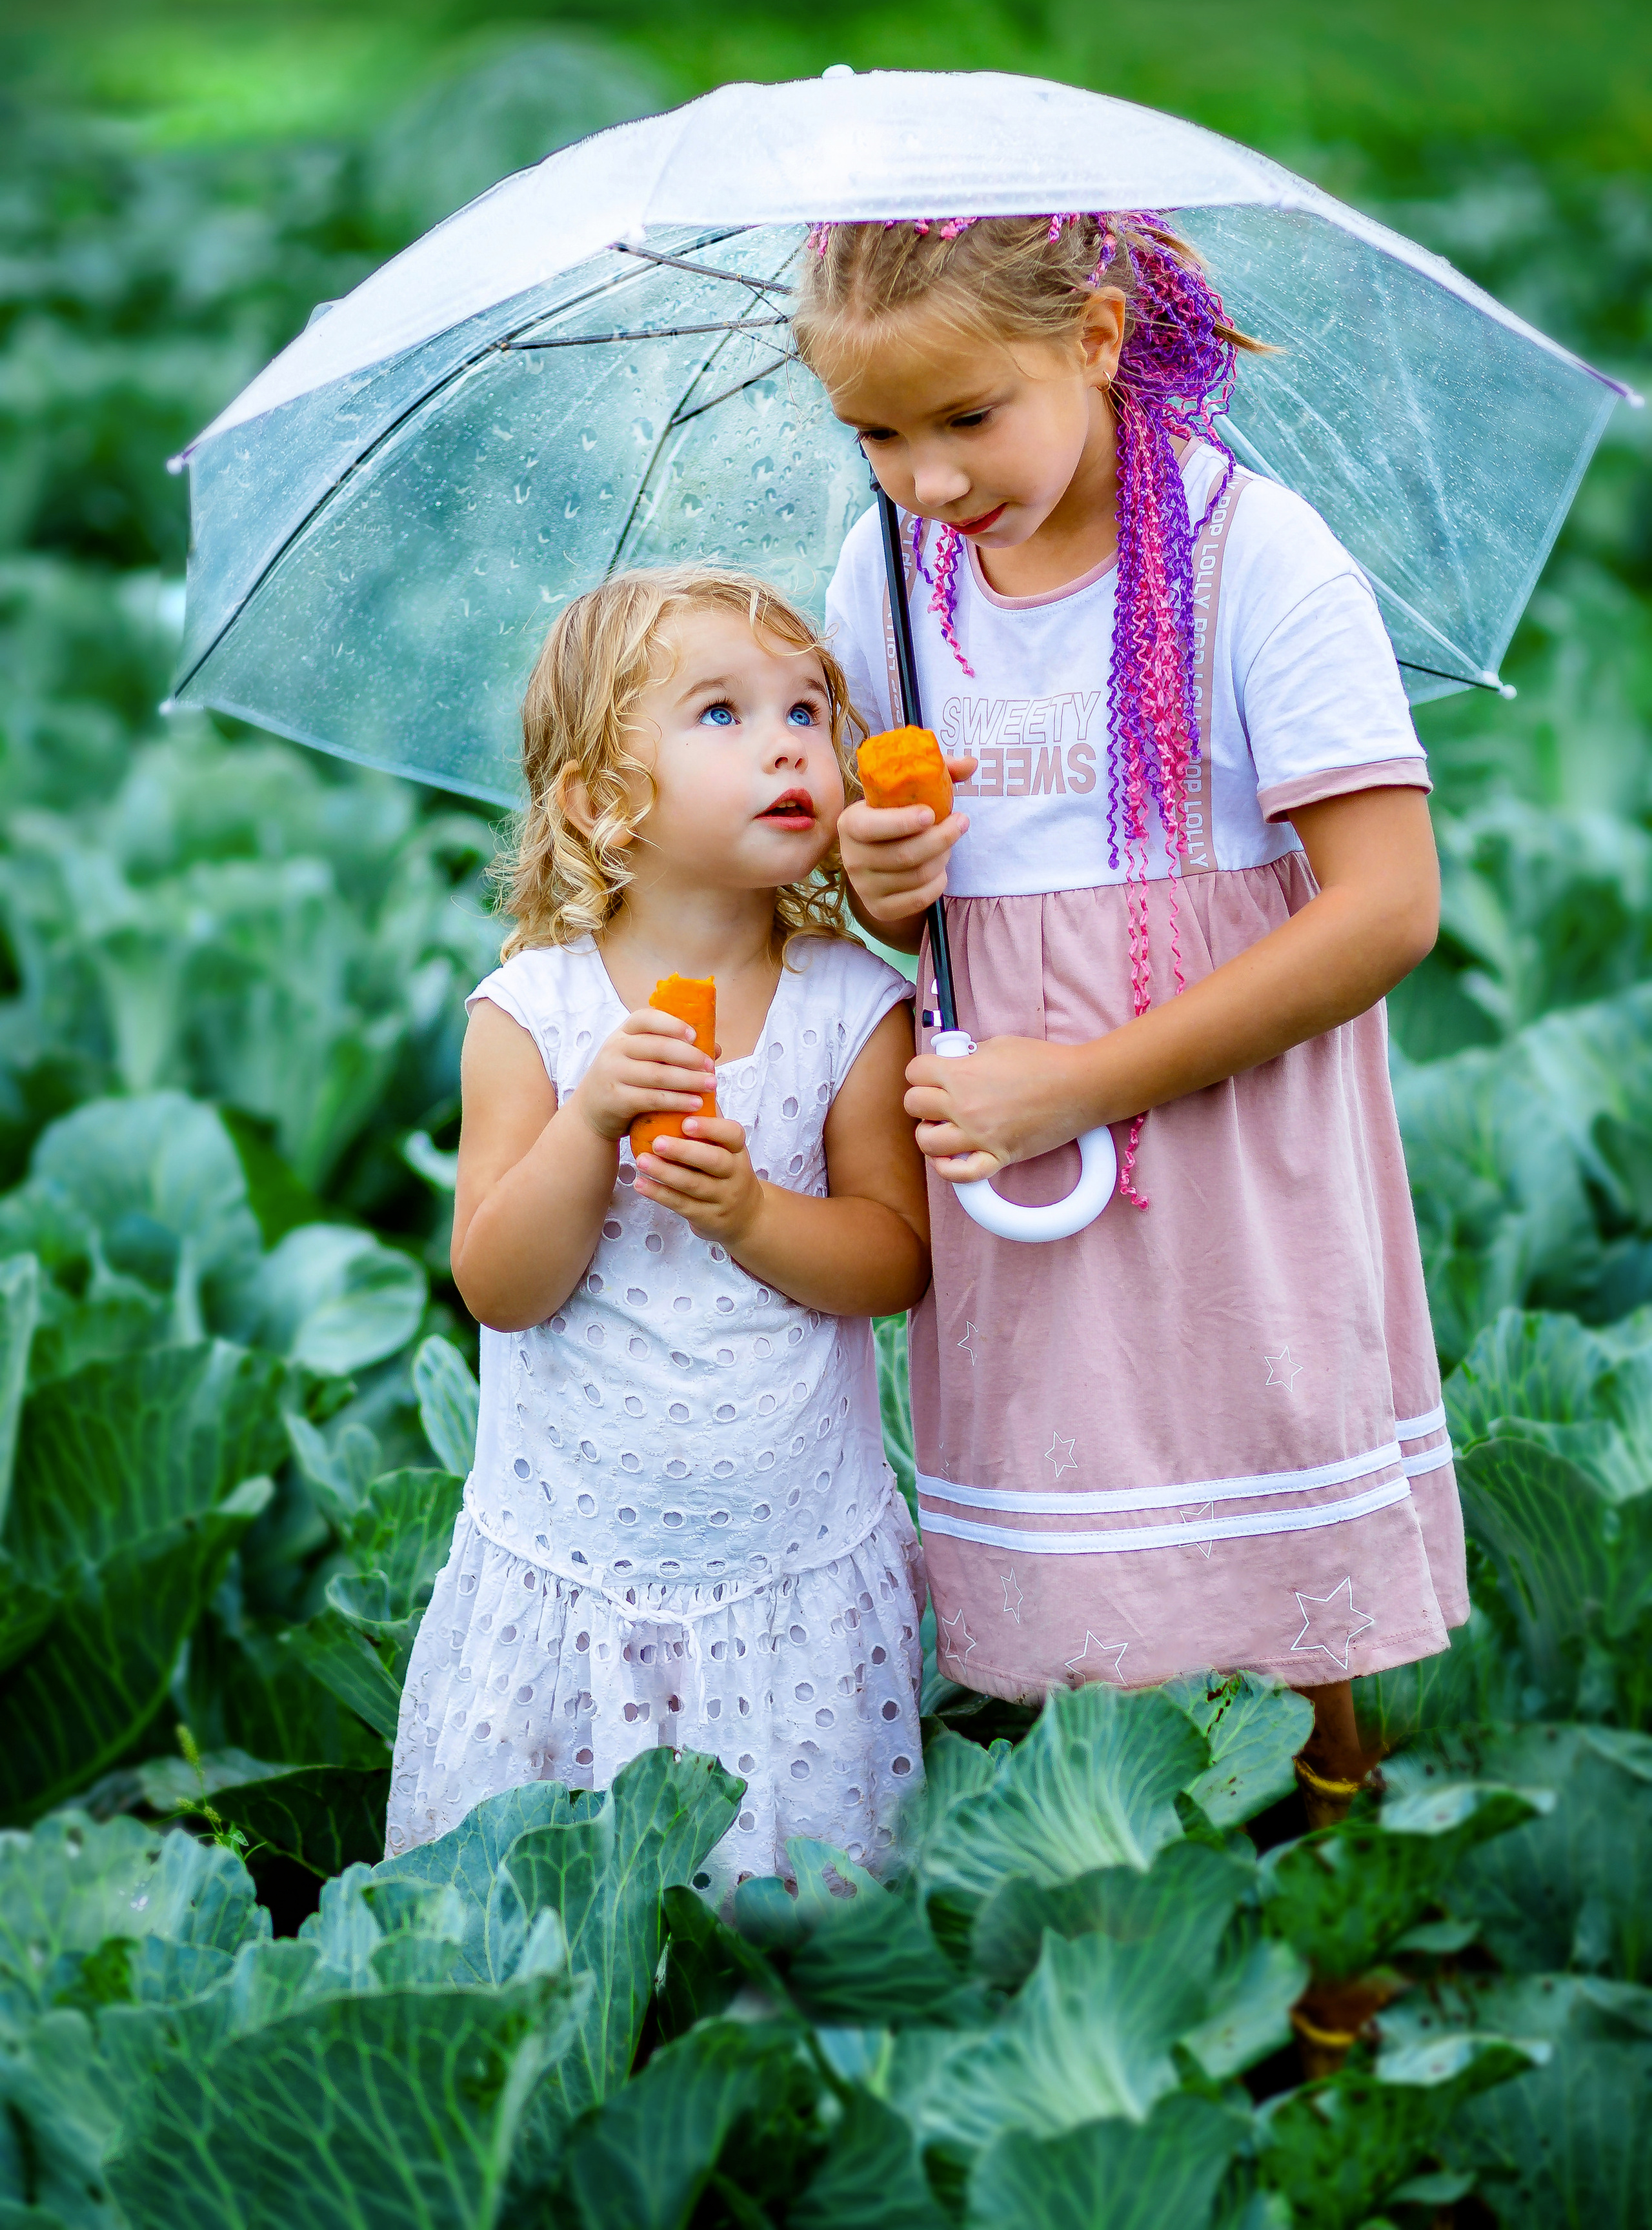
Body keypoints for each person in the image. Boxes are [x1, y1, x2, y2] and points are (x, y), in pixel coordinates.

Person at [794, 210, 1467, 1822]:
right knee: (1068, 1568)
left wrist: (1080, 1084)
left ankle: (1325, 1958)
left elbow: (1385, 906)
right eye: (873, 432)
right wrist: (875, 872)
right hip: (1018, 1164)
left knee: (1261, 1553)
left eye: (966, 419)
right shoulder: (892, 572)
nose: (926, 479)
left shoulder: (1254, 553)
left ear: (1094, 343)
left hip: (1215, 1135)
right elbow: (891, 904)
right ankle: (1116, 1915)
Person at [385, 567, 930, 1880]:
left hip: (786, 1566)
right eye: (722, 715)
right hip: (569, 1564)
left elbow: (891, 1261)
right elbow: (499, 1287)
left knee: (786, 1937)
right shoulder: (534, 1014)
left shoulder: (851, 1008)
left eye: (808, 706)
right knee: (547, 1915)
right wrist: (584, 1132)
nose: (791, 741)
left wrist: (750, 1214)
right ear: (596, 802)